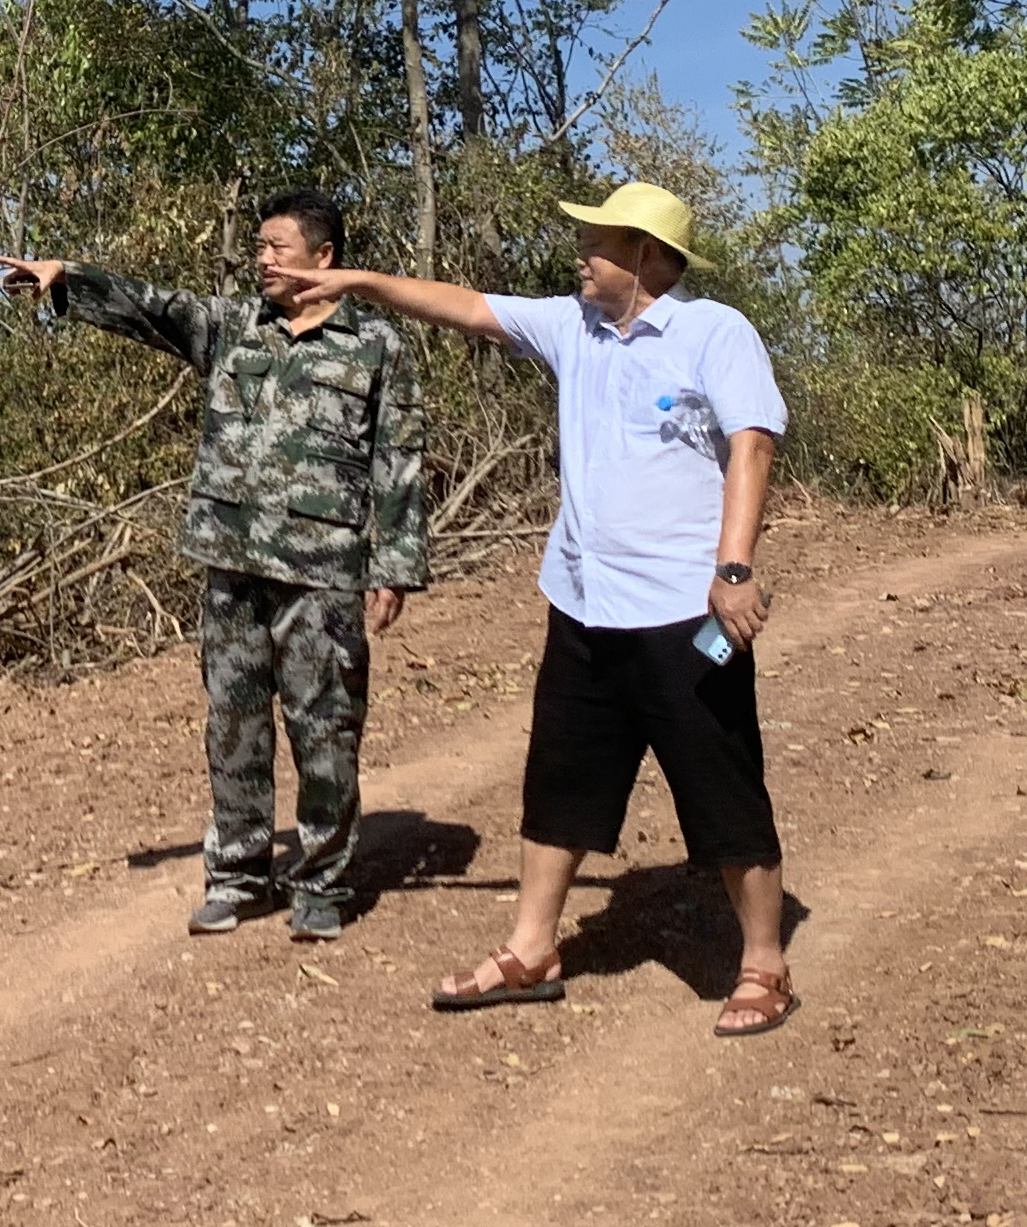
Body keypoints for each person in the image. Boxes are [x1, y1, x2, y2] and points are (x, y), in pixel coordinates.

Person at [325, 181, 797, 1035]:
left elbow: (752, 446)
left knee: (721, 785)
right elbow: (463, 308)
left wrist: (733, 569)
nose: (581, 254)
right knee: (559, 784)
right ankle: (532, 949)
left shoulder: (713, 333)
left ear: (648, 257)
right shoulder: (570, 328)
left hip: (685, 616)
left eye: (600, 241)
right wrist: (357, 281)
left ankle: (763, 963)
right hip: (583, 606)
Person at [0, 194, 429, 939]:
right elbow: (154, 308)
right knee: (233, 724)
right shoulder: (234, 327)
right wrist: (68, 277)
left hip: (323, 574)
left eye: (277, 247)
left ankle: (322, 880)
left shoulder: (377, 347)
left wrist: (394, 565)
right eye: (258, 246)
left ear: (324, 256)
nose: (262, 258)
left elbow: (398, 462)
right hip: (230, 560)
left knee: (324, 726)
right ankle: (238, 874)